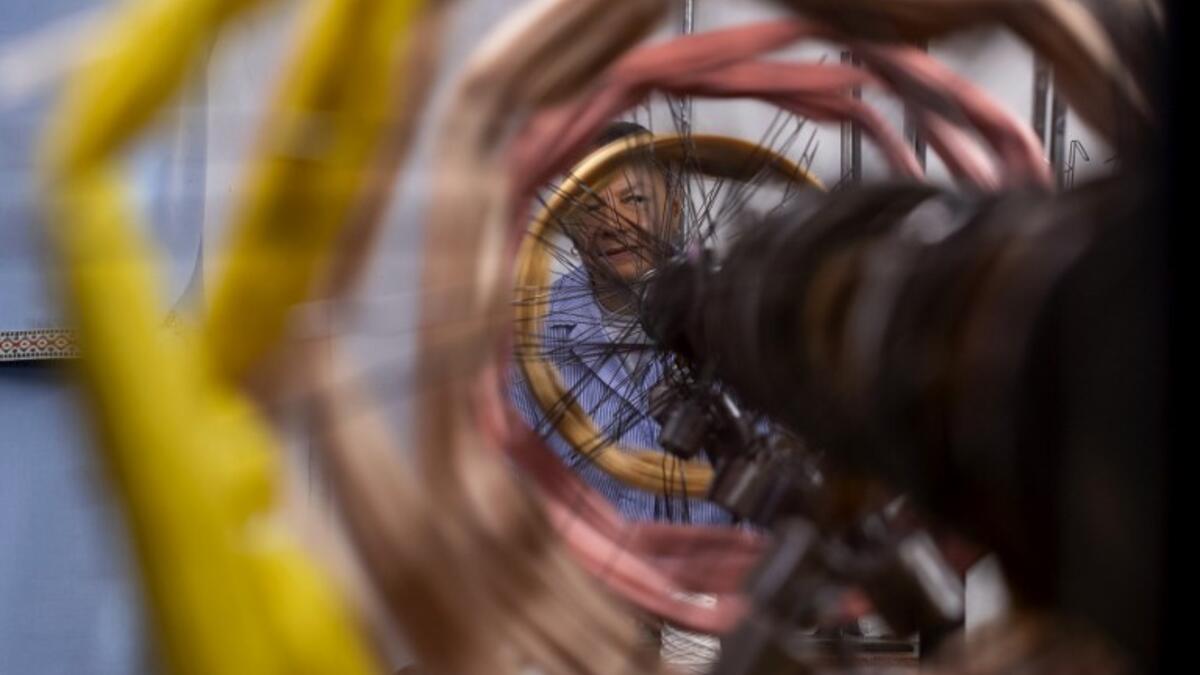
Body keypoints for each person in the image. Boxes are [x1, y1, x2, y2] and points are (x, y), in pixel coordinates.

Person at [509, 121, 731, 526]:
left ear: (676, 206)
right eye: (591, 206)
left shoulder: (739, 321)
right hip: (590, 586)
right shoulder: (530, 346)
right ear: (571, 225)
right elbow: (514, 503)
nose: (614, 222)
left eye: (634, 199)